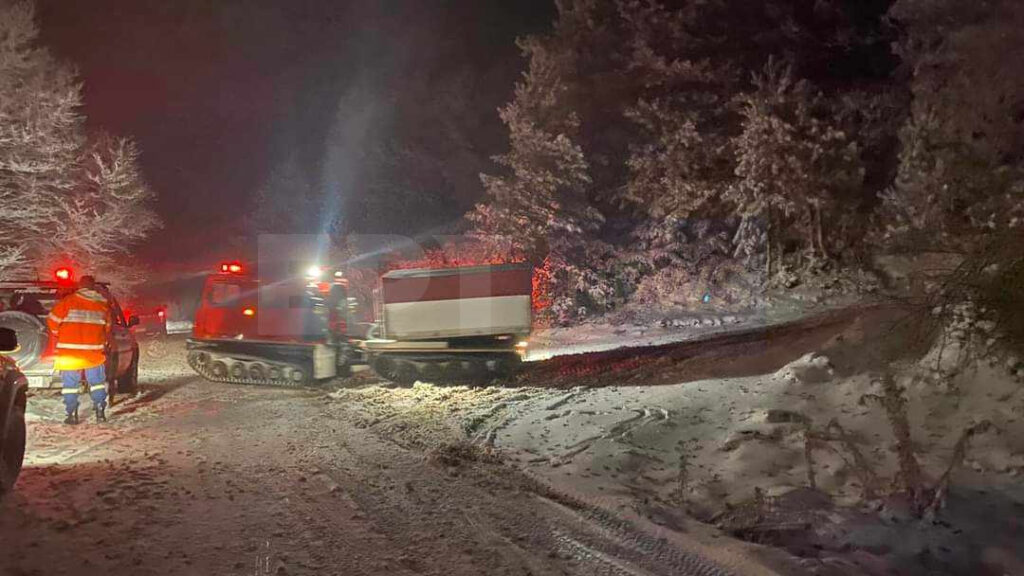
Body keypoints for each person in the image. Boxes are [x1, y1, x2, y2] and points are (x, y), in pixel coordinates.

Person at [46, 275, 112, 425]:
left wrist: (59, 334)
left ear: (79, 286)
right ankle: (100, 410)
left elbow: (52, 320)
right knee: (97, 383)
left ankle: (72, 414)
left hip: (69, 352)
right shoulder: (103, 305)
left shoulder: (68, 302)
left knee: (70, 385)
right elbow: (106, 328)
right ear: (93, 287)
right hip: (93, 353)